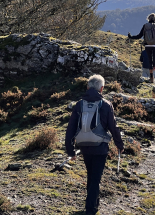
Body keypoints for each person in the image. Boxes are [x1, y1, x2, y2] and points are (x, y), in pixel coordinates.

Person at [65, 74, 124, 215]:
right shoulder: (106, 105)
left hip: (84, 146)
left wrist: (70, 150)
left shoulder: (79, 104)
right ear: (102, 89)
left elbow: (71, 128)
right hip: (100, 147)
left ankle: (93, 205)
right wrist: (119, 145)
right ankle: (90, 210)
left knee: (91, 176)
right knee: (96, 178)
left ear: (87, 87)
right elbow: (113, 128)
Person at [128, 13, 155, 83]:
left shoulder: (145, 26)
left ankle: (151, 78)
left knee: (150, 61)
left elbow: (139, 36)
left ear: (148, 19)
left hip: (147, 46)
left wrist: (131, 37)